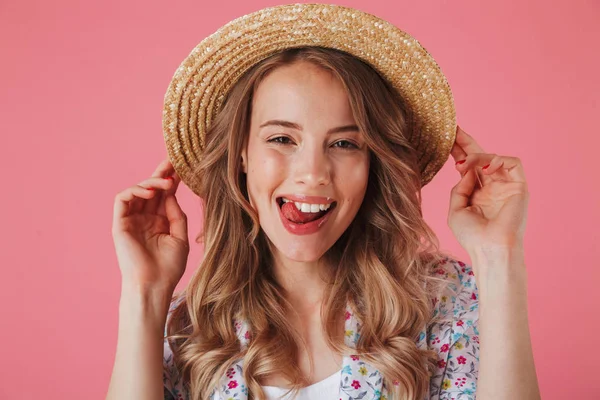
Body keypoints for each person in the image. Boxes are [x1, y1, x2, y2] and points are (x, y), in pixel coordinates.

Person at [106, 5, 540, 400]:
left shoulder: (449, 303)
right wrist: (145, 294)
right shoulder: (189, 329)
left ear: (374, 162)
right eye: (281, 138)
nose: (312, 173)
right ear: (242, 154)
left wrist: (498, 256)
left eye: (345, 143)